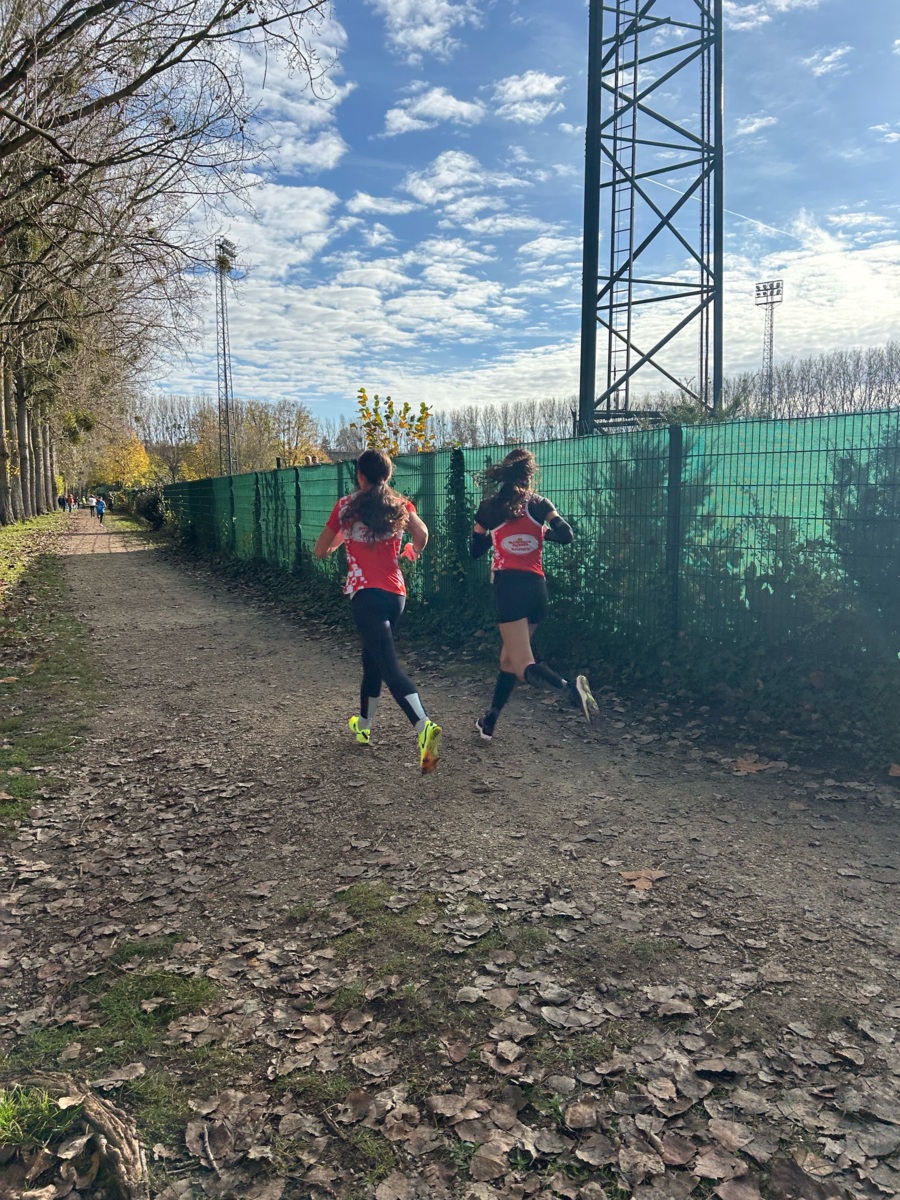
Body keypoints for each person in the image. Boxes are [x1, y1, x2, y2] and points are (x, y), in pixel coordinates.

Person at [314, 448, 442, 774]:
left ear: (360, 475)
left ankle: (424, 726)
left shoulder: (346, 507)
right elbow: (422, 533)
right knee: (372, 659)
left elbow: (320, 550)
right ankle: (364, 725)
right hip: (395, 595)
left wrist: (340, 540)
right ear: (387, 475)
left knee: (388, 665)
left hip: (365, 595)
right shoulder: (399, 505)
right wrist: (413, 549)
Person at [470, 447, 598, 741]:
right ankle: (489, 721)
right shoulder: (540, 504)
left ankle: (571, 691)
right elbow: (566, 534)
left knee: (523, 664)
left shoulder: (490, 508)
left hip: (509, 588)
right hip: (537, 589)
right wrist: (541, 534)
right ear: (529, 476)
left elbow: (475, 550)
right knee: (509, 660)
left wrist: (493, 535)